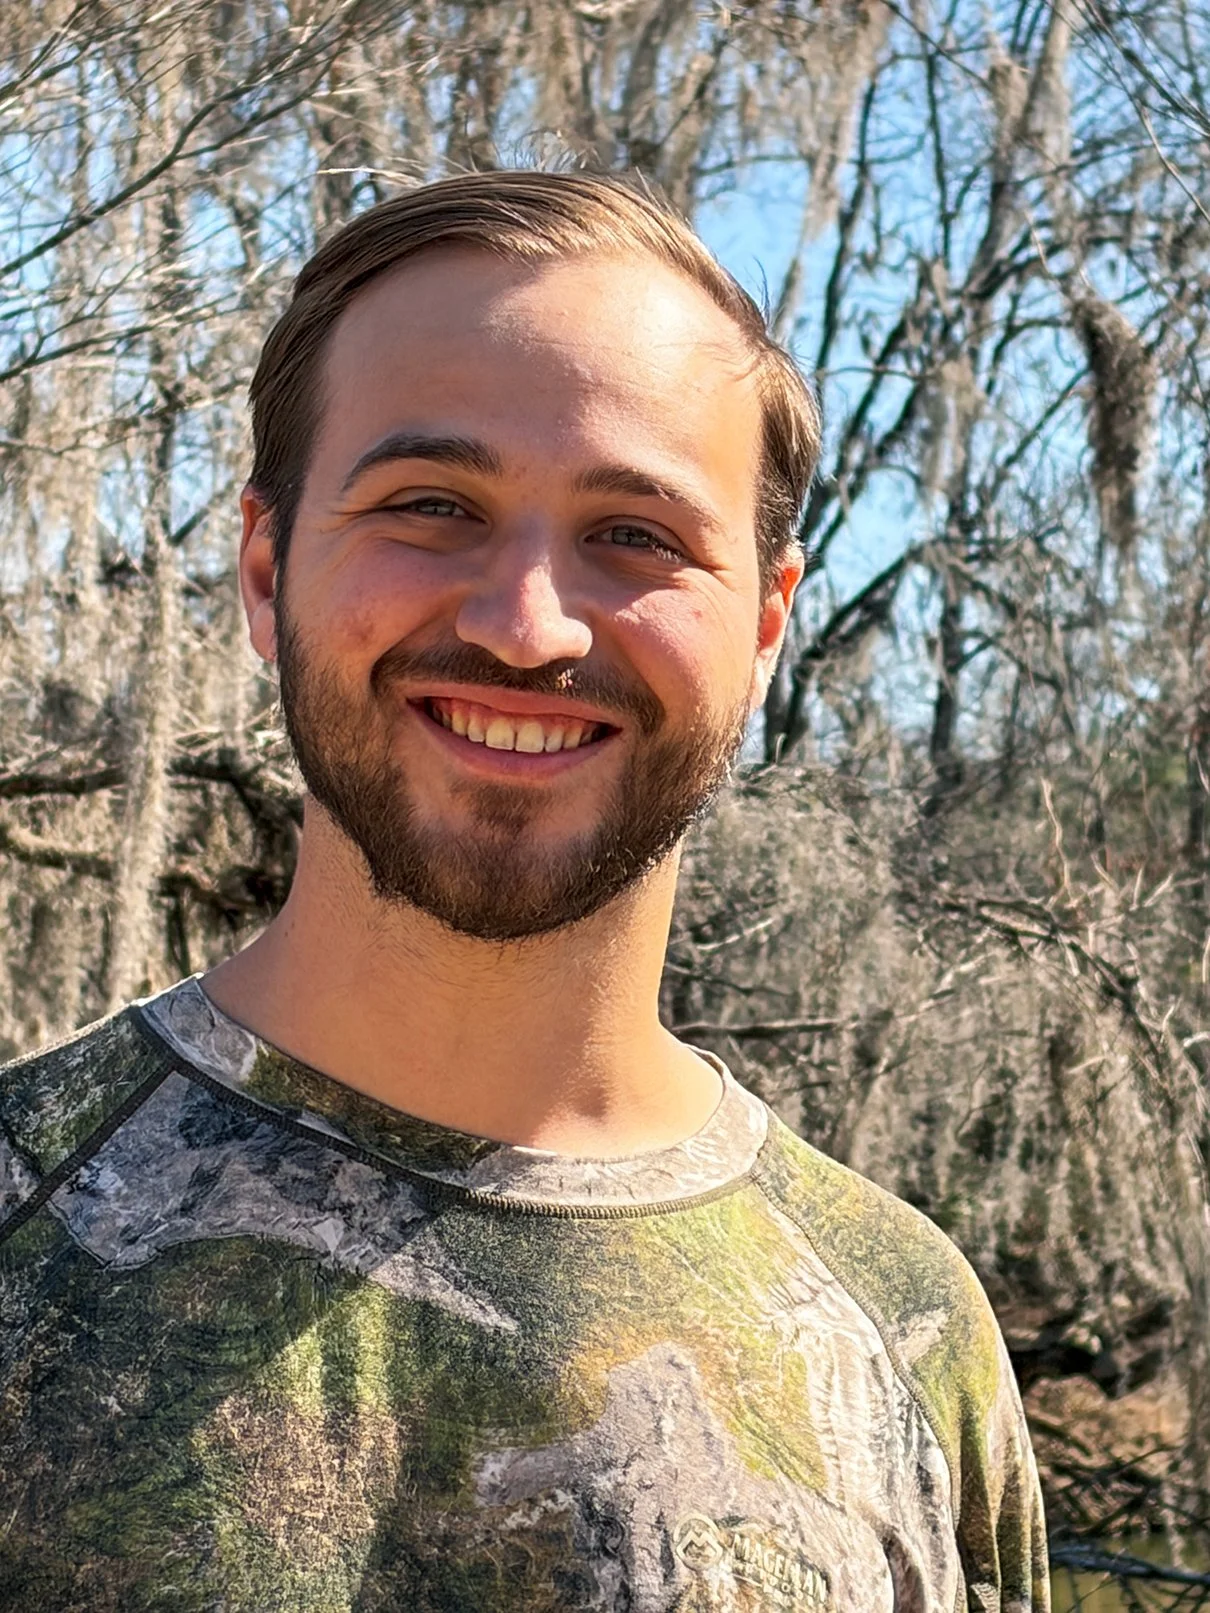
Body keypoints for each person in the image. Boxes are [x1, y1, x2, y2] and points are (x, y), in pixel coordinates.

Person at [0, 170, 1048, 1612]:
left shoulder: (902, 1332)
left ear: (762, 626)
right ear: (262, 570)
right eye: (431, 505)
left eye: (635, 535)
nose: (525, 624)